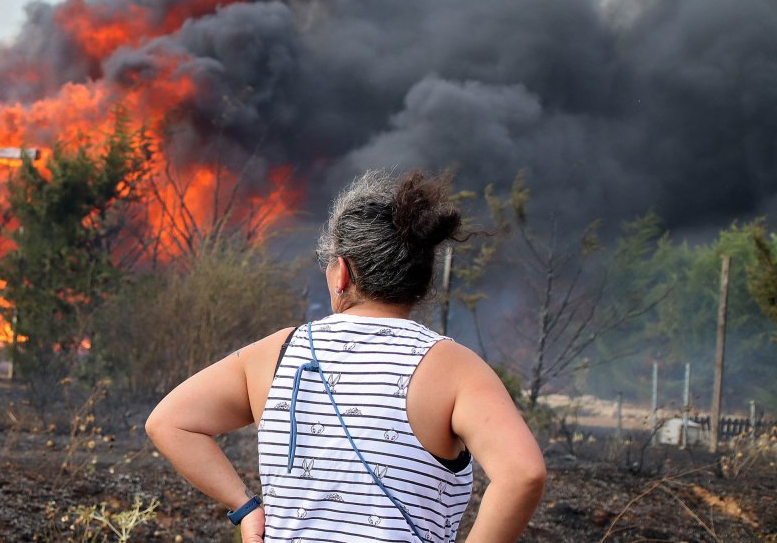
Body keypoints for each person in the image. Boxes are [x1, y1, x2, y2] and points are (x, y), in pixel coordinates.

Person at [146, 169, 546, 542]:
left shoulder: (275, 353)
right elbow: (522, 473)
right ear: (421, 280)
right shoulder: (453, 367)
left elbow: (169, 423)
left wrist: (246, 508)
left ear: (342, 273)